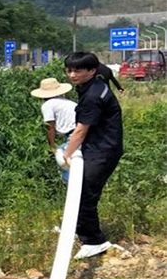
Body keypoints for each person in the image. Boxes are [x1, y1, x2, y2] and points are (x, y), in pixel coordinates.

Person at [62, 51, 124, 260]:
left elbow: (81, 130)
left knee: (84, 194)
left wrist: (66, 156)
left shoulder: (92, 96)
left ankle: (93, 241)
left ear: (91, 71)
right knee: (80, 192)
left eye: (78, 70)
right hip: (100, 146)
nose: (72, 75)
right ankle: (80, 231)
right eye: (69, 70)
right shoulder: (95, 84)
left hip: (102, 150)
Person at [30, 76, 77, 183]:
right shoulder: (67, 102)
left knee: (63, 160)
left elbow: (50, 127)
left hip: (74, 134)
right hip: (85, 132)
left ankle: (69, 186)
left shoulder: (47, 105)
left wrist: (51, 147)